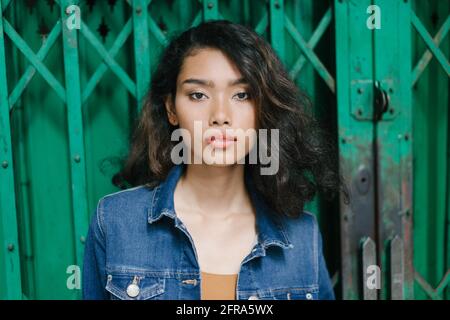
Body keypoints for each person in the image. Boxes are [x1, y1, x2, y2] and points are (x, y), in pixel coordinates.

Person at [82, 19, 346, 300]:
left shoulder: (301, 235)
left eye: (241, 95)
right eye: (198, 95)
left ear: (263, 109)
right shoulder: (115, 221)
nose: (220, 115)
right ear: (172, 109)